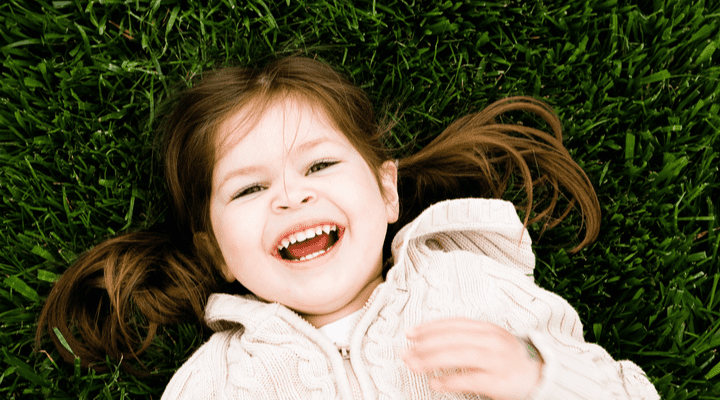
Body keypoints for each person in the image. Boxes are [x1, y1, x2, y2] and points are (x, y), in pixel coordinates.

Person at [36, 56, 660, 399]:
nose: (292, 194)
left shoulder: (470, 288)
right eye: (250, 189)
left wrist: (539, 376)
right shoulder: (218, 382)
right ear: (216, 251)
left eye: (320, 164)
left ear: (387, 190)